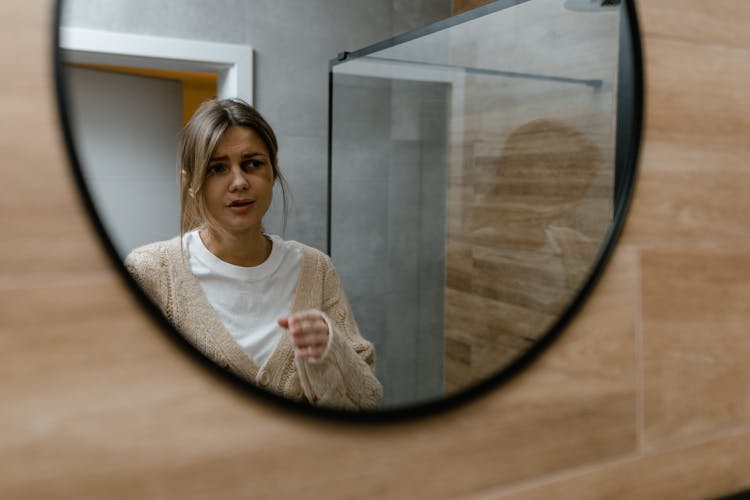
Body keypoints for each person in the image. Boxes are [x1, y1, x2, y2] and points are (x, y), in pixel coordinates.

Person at [124, 98, 382, 410]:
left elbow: (369, 399)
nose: (239, 182)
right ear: (190, 183)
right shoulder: (151, 273)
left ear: (273, 171)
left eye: (252, 164)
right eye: (217, 168)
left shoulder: (317, 269)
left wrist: (331, 348)